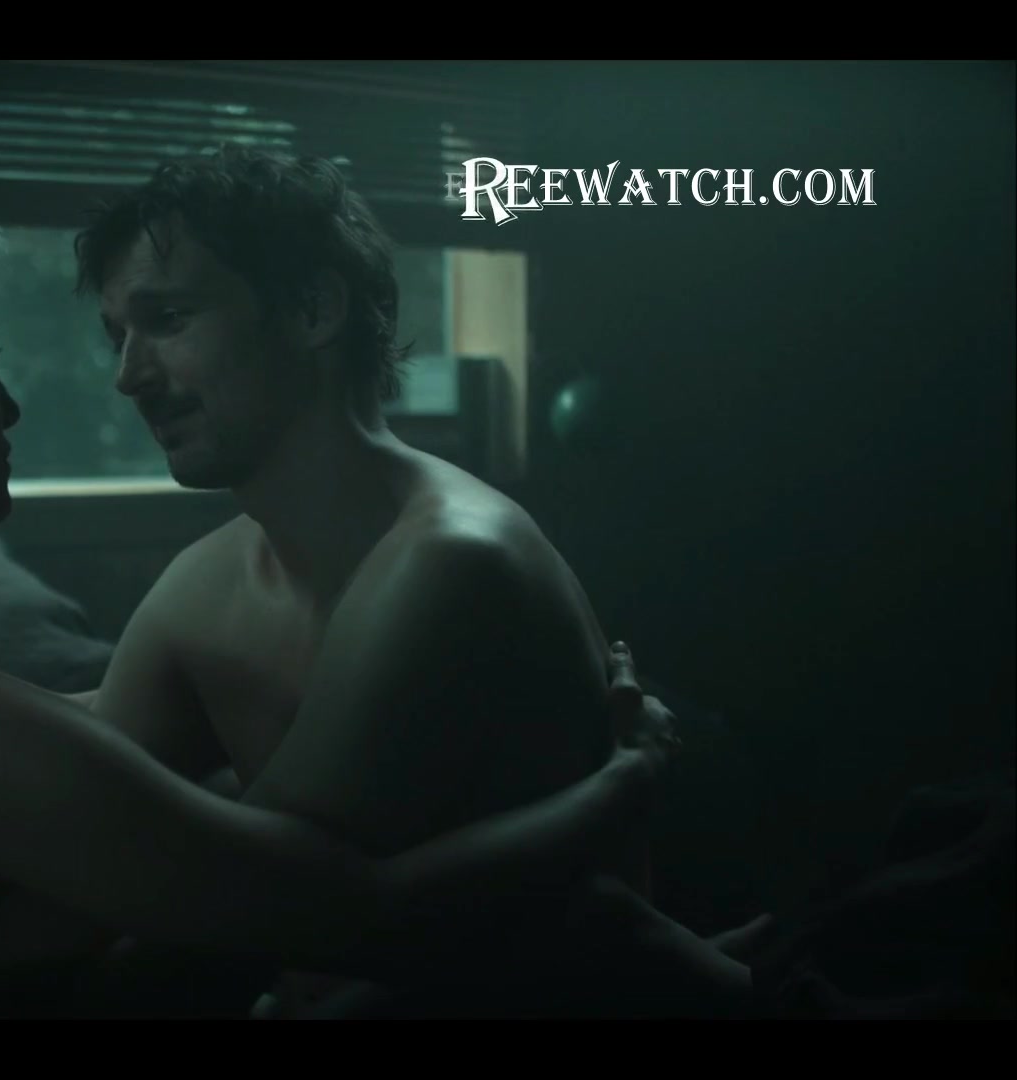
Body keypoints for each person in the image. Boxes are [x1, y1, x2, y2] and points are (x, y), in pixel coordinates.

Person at [0, 194, 724, 1018]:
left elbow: (67, 761)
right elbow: (354, 912)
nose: (10, 402)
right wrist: (624, 787)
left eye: (167, 321)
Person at [69, 144, 754, 1013]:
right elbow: (75, 807)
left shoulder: (452, 559)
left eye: (167, 320)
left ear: (312, 308)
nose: (128, 376)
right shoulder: (206, 584)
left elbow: (263, 900)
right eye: (117, 337)